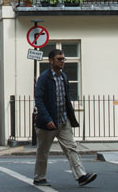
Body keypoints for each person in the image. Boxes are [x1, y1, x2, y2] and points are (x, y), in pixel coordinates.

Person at [34, 49, 97, 187]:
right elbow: (39, 100)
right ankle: (39, 177)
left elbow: (66, 99)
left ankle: (81, 176)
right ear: (51, 61)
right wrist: (47, 119)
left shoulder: (64, 77)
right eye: (59, 59)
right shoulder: (44, 78)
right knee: (43, 152)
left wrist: (70, 116)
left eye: (63, 59)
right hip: (47, 123)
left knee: (71, 147)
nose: (62, 61)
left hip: (63, 121)